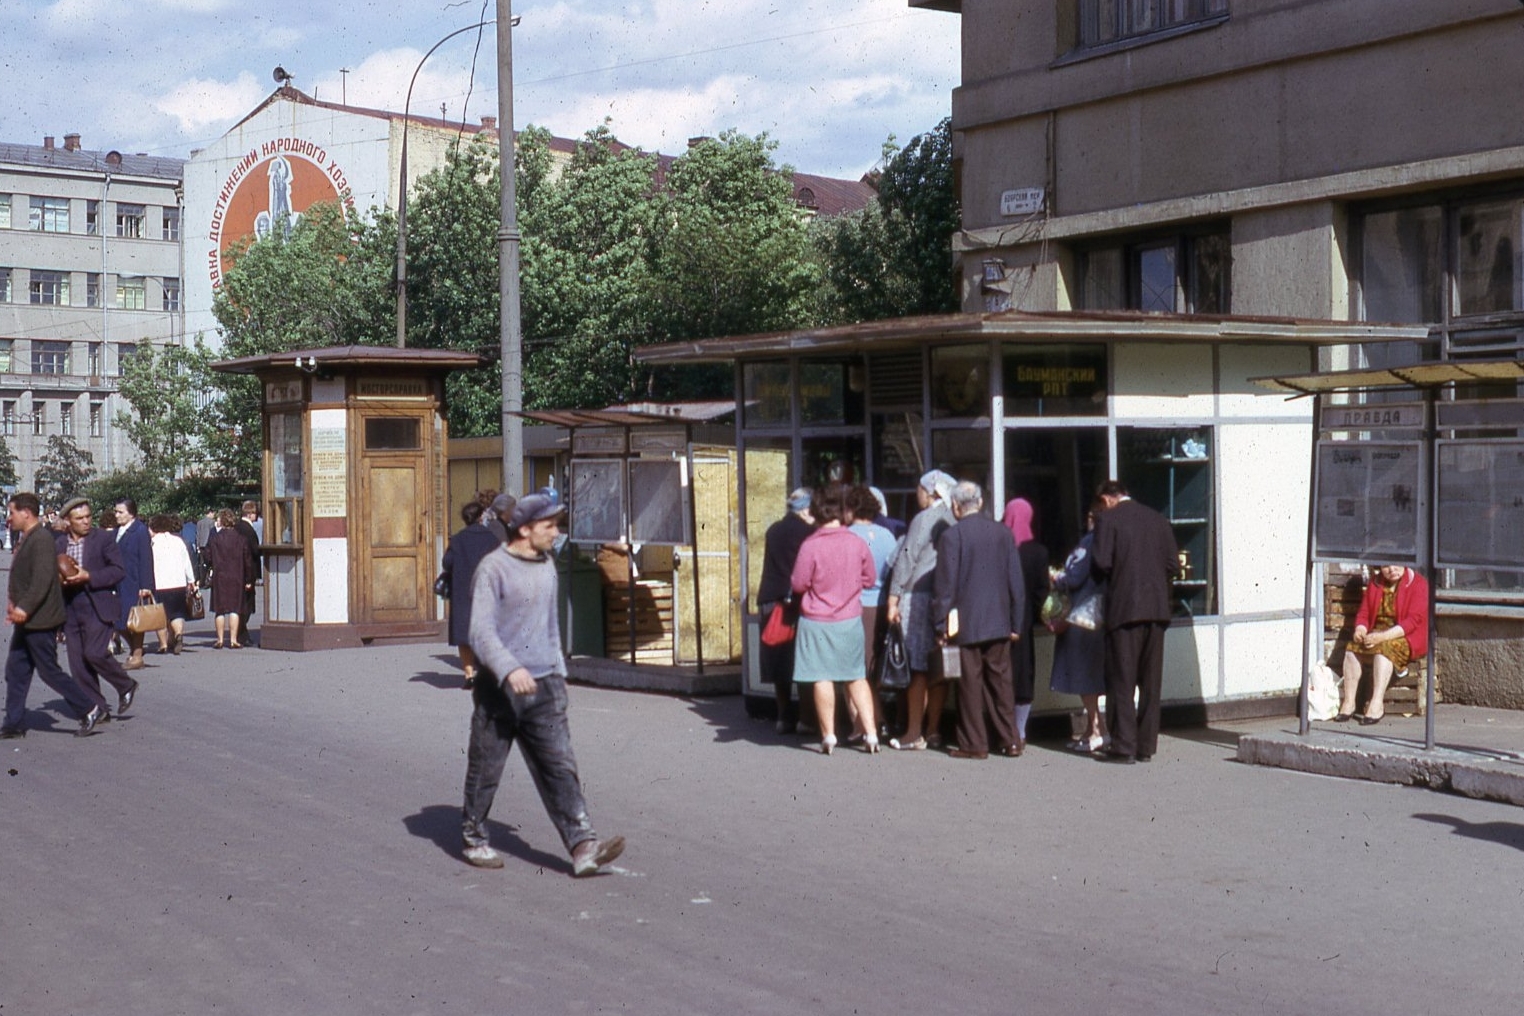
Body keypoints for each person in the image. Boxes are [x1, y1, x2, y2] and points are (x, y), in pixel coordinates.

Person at [461, 493, 625, 876]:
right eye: (548, 525)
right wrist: (508, 667)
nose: (555, 532)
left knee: (560, 766)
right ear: (524, 528)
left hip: (545, 686)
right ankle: (474, 838)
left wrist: (558, 675)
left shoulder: (547, 566)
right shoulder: (493, 569)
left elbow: (550, 629)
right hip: (499, 689)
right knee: (486, 767)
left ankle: (584, 846)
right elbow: (480, 632)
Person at [932, 481, 1026, 760]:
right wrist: (1015, 623)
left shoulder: (952, 536)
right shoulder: (1003, 533)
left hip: (967, 622)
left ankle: (975, 743)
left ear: (956, 507)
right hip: (999, 620)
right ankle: (1010, 740)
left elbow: (945, 587)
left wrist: (940, 625)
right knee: (1001, 682)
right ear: (981, 503)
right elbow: (1015, 583)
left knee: (969, 684)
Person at [2, 493, 106, 738]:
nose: (9, 518)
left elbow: (42, 580)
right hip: (30, 620)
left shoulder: (41, 539)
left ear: (25, 513)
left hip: (41, 619)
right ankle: (13, 723)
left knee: (49, 670)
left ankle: (89, 707)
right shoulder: (31, 537)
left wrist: (23, 608)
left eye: (12, 512)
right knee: (16, 670)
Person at [1090, 479, 1179, 764]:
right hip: (1156, 610)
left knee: (1122, 679)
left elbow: (1100, 563)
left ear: (1106, 499)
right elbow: (1173, 566)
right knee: (1151, 683)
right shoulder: (1158, 519)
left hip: (1124, 610)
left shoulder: (1107, 520)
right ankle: (1146, 746)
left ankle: (1124, 745)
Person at [789, 484, 879, 754]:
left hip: (816, 620)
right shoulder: (857, 542)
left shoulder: (810, 545)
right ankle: (872, 734)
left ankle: (829, 736)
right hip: (850, 619)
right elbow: (870, 578)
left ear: (816, 513)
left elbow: (798, 583)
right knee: (856, 677)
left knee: (822, 677)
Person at [884, 470, 956, 751]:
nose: (918, 495)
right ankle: (934, 729)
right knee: (939, 665)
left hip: (917, 597)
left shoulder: (923, 519)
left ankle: (914, 731)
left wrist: (893, 598)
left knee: (917, 669)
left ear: (932, 492)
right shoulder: (954, 518)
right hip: (946, 597)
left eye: (920, 490)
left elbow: (906, 558)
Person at [54, 497, 139, 718]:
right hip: (71, 608)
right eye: (79, 518)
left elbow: (118, 570)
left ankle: (125, 685)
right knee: (78, 663)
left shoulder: (103, 539)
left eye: (88, 516)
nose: (85, 522)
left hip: (97, 604)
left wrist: (89, 576)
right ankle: (97, 708)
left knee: (94, 653)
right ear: (68, 521)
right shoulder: (60, 545)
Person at [1338, 564, 1429, 725]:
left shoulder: (1419, 583)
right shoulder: (1376, 582)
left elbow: (1412, 622)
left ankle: (1376, 703)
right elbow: (1364, 613)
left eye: (1396, 565)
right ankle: (1349, 702)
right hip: (1377, 634)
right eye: (1386, 566)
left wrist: (1382, 637)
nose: (1392, 569)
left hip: (1406, 636)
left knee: (1383, 650)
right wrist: (1360, 629)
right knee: (1352, 650)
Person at [755, 488, 814, 734]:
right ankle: (805, 718)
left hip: (770, 599)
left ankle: (783, 716)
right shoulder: (809, 533)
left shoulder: (773, 530)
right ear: (807, 510)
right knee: (802, 659)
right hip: (797, 601)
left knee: (779, 658)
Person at [1049, 503, 1108, 752]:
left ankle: (1097, 729)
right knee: (1093, 675)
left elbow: (1074, 576)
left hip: (1081, 616)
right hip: (1099, 613)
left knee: (1084, 676)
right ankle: (1093, 728)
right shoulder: (1110, 542)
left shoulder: (1089, 542)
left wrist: (1056, 577)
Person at [847, 485, 900, 740]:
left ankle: (865, 723)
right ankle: (877, 720)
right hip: (882, 604)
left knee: (857, 670)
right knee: (875, 667)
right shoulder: (887, 535)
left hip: (857, 606)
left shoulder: (848, 536)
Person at [443, 493, 510, 688]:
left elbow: (447, 563)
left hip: (463, 592)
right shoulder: (492, 538)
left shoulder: (457, 539)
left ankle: (469, 675)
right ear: (481, 517)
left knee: (464, 636)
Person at [1003, 497, 1050, 754]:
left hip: (999, 621)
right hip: (1024, 623)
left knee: (1002, 676)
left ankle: (1004, 729)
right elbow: (1042, 592)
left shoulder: (1000, 546)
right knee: (1024, 675)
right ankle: (1020, 731)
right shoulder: (1038, 552)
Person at [204, 509, 256, 649]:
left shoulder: (214, 538)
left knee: (219, 610)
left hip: (220, 577)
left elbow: (207, 556)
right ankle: (233, 639)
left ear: (221, 521)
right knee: (235, 609)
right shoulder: (241, 539)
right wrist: (249, 579)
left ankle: (220, 639)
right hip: (237, 576)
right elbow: (247, 561)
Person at [113, 498, 154, 671]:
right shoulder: (118, 531)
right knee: (118, 621)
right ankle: (136, 651)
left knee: (135, 620)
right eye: (116, 511)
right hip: (119, 582)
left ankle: (137, 655)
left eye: (120, 512)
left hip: (134, 582)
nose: (116, 515)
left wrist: (146, 585)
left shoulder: (140, 530)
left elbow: (146, 558)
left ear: (131, 513)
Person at [149, 514, 199, 655]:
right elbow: (186, 563)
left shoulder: (152, 544)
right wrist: (191, 581)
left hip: (159, 584)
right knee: (177, 613)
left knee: (161, 616)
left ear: (154, 527)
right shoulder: (178, 541)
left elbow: (148, 565)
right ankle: (178, 635)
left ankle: (163, 644)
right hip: (178, 583)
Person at [233, 504, 262, 644]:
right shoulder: (248, 530)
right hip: (248, 570)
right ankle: (241, 633)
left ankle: (240, 633)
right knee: (247, 604)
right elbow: (254, 551)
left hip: (237, 569)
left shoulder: (237, 527)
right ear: (250, 513)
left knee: (241, 603)